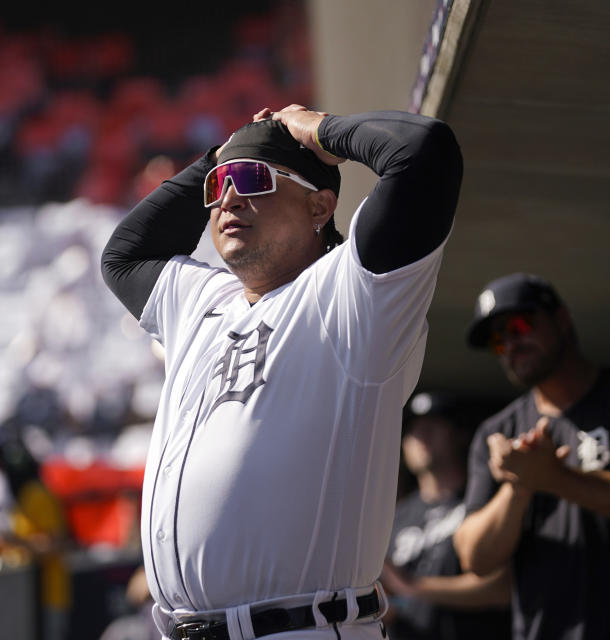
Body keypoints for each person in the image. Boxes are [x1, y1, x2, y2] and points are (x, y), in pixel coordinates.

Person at [101, 104, 462, 640]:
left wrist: (314, 129)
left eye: (251, 178)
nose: (227, 197)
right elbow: (123, 256)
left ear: (320, 206)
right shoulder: (204, 300)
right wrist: (225, 155)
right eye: (219, 185)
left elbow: (424, 153)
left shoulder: (352, 297)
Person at [452, 273, 610, 640]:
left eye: (519, 325)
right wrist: (518, 488)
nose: (511, 344)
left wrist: (554, 478)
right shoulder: (497, 432)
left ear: (562, 318)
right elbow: (475, 557)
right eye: (499, 340)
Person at [380, 393, 509, 640]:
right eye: (412, 429)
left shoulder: (483, 502)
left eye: (434, 424)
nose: (422, 435)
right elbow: (391, 600)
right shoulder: (395, 516)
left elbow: (502, 588)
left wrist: (412, 587)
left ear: (458, 434)